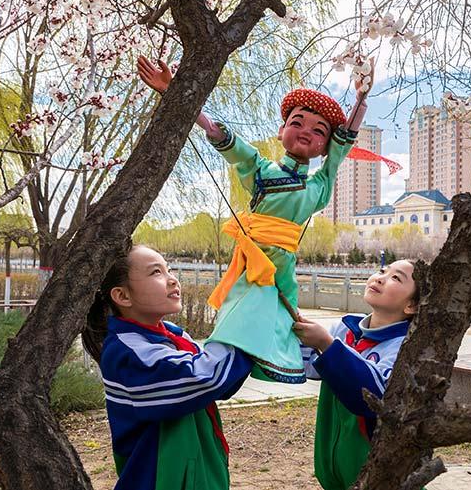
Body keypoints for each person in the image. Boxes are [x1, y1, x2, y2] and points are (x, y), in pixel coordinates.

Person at [137, 55, 374, 384]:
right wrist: (175, 93)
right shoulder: (262, 170)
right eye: (297, 123)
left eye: (318, 130)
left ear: (324, 147)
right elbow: (223, 138)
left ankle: (292, 363)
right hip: (252, 261)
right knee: (242, 314)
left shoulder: (319, 184)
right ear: (281, 131)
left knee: (284, 321)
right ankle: (209, 372)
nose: (306, 132)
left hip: (284, 265)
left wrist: (362, 99)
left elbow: (342, 146)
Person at [82, 244, 253, 490]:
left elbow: (221, 386)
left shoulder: (173, 335)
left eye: (169, 269)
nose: (172, 280)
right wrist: (248, 321)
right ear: (122, 296)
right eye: (156, 273)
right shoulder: (129, 352)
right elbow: (207, 377)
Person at [292, 259, 420, 490]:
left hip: (380, 475)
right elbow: (308, 364)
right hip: (334, 469)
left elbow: (373, 395)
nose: (380, 277)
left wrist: (327, 345)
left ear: (411, 305)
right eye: (382, 270)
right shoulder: (346, 329)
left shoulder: (404, 347)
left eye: (396, 278)